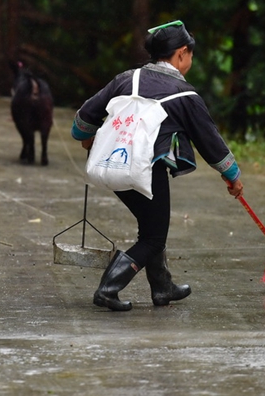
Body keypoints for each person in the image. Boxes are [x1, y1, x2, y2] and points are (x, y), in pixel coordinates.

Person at [71, 20, 244, 311]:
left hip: (111, 165)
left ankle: (163, 288)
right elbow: (210, 142)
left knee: (151, 227)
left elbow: (85, 117)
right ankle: (107, 288)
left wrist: (85, 138)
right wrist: (233, 176)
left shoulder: (127, 78)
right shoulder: (185, 95)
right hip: (146, 171)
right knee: (153, 237)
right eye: (190, 55)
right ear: (181, 53)